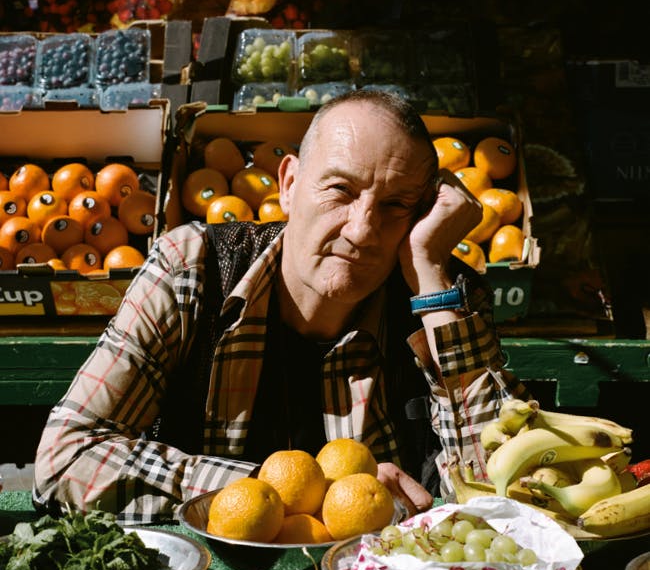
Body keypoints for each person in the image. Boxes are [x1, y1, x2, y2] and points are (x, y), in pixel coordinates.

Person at [33, 89, 528, 523]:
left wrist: (430, 275)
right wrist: (299, 497)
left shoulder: (441, 297)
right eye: (340, 190)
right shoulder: (193, 270)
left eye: (397, 205)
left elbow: (508, 498)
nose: (361, 230)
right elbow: (66, 460)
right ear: (288, 185)